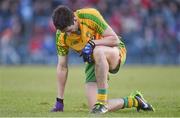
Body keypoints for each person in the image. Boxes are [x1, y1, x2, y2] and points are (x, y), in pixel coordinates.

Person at [51, 5, 154, 114]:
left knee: (98, 51)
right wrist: (59, 101)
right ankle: (135, 100)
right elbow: (62, 67)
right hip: (93, 63)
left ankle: (101, 101)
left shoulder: (90, 16)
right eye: (65, 32)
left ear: (75, 19)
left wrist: (92, 43)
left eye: (69, 30)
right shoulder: (61, 36)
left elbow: (115, 39)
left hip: (114, 51)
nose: (68, 34)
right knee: (94, 109)